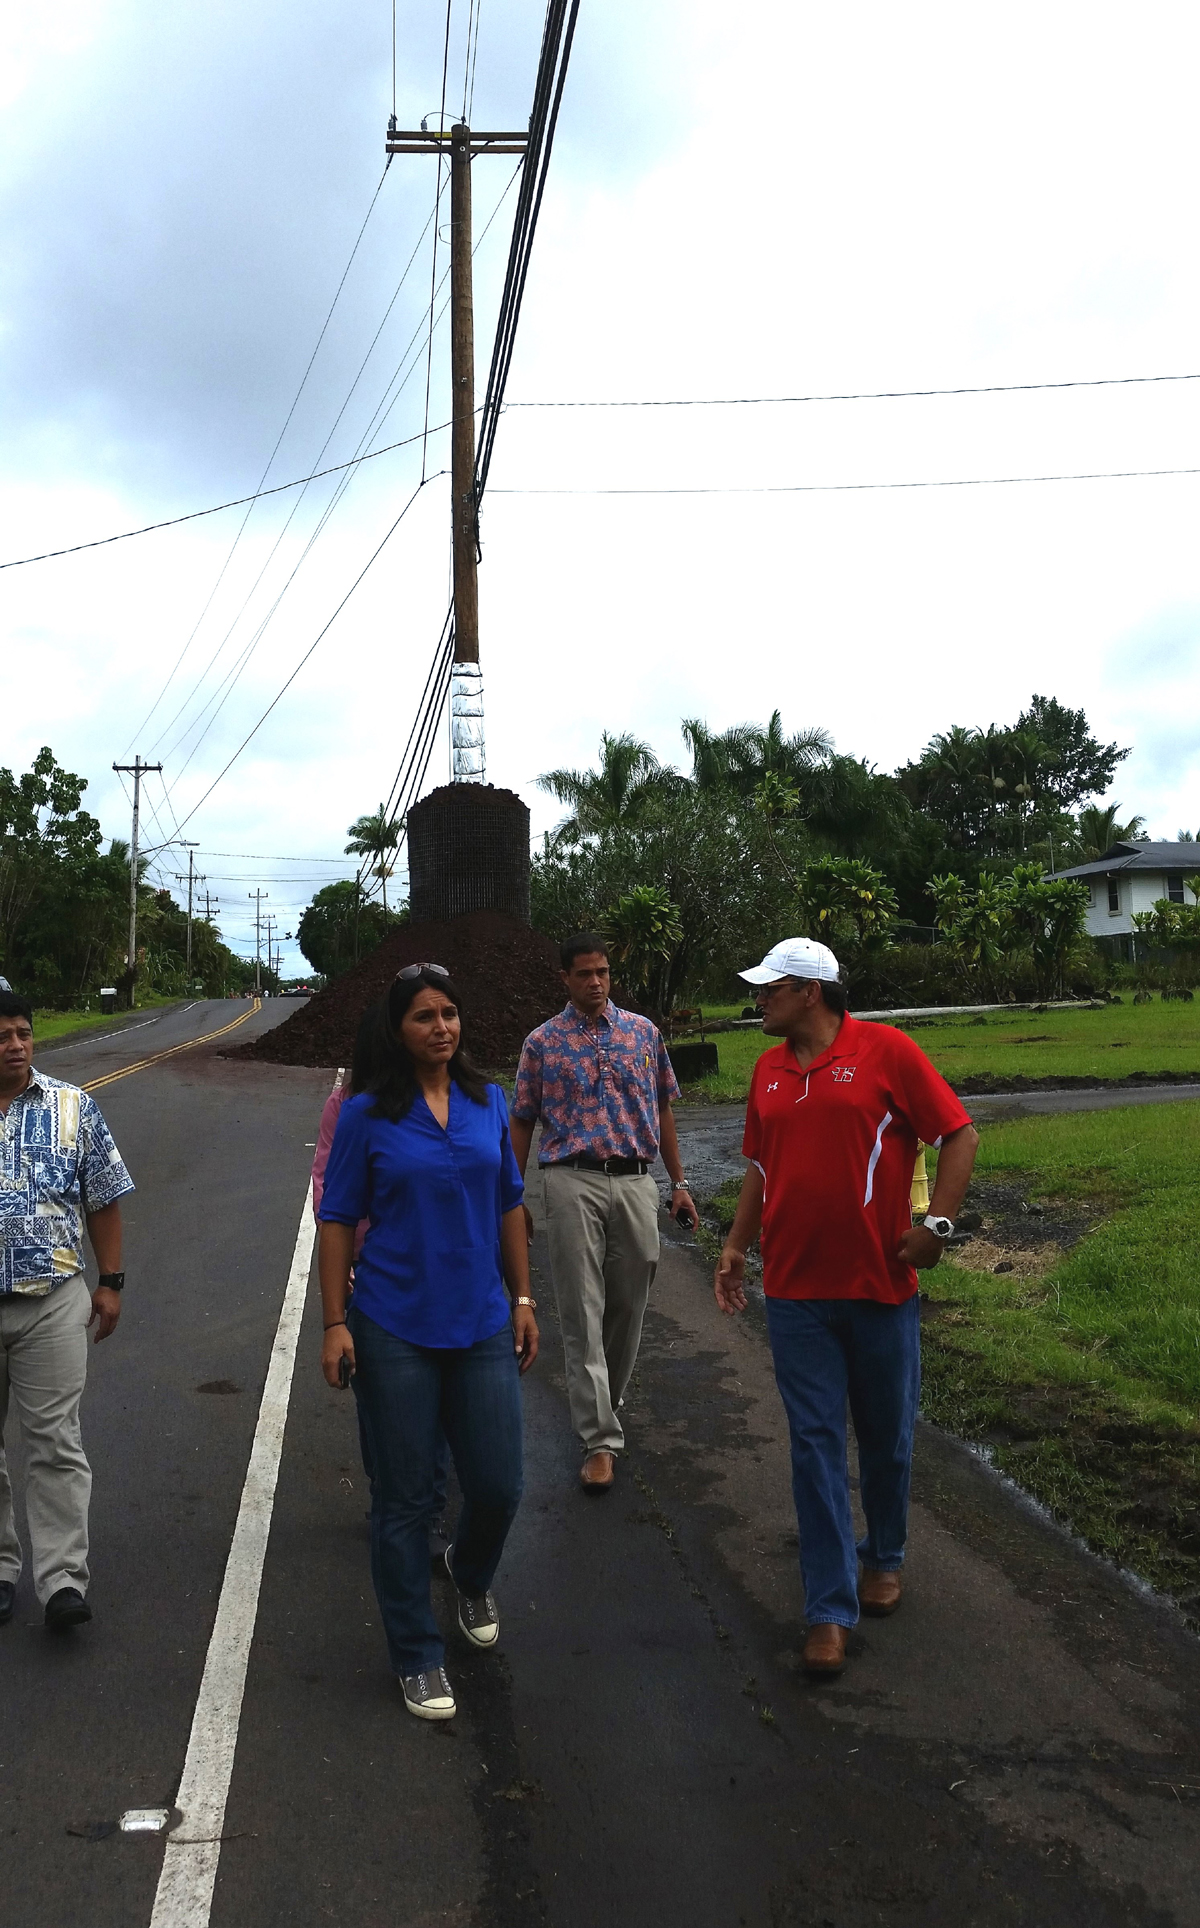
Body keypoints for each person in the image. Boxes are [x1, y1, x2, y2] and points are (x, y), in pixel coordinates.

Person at [713, 939, 978, 1677]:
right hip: (796, 1292)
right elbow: (762, 1169)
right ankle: (828, 1606)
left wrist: (937, 1228)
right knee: (815, 1443)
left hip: (880, 1290)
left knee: (886, 1436)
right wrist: (736, 1248)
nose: (758, 999)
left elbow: (959, 1133)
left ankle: (883, 1555)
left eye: (771, 988)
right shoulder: (766, 1069)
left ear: (810, 992)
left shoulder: (887, 1051)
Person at [317, 965, 538, 1722]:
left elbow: (510, 1203)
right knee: (406, 1500)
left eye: (449, 1013)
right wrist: (335, 1322)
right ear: (397, 1030)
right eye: (423, 1017)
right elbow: (338, 1217)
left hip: (479, 1321)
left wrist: (523, 1297)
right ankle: (416, 1653)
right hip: (393, 1327)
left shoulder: (489, 1102)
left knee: (500, 1483)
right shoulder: (367, 1114)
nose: (441, 1027)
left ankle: (470, 1572)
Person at [510, 933, 698, 1493]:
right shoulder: (541, 1043)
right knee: (581, 1306)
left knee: (629, 1297)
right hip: (570, 1179)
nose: (596, 982)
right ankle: (599, 1440)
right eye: (585, 973)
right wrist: (508, 1194)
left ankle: (605, 1401)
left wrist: (680, 1183)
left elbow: (662, 1107)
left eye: (604, 972)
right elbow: (522, 1117)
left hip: (636, 1181)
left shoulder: (644, 1034)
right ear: (565, 978)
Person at [0, 989, 135, 1630]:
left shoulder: (71, 1108)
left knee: (55, 1441)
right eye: (3, 1035)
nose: (16, 1044)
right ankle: (0, 1571)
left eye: (23, 1032)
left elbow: (103, 1198)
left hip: (52, 1303)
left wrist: (111, 1281)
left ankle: (60, 1582)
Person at [311, 1002, 452, 1544]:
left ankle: (430, 1504)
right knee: (378, 1396)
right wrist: (341, 1262)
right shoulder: (346, 1107)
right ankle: (390, 1490)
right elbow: (325, 1183)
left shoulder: (441, 1100)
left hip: (429, 1267)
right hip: (369, 1274)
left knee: (436, 1398)